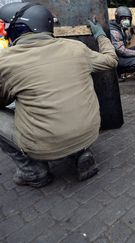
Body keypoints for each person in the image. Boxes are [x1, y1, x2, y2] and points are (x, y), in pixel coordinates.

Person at [0, 2, 118, 188]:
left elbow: (2, 101)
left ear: (19, 27)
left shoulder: (5, 61)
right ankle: (80, 153)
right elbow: (111, 61)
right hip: (89, 133)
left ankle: (33, 171)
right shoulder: (76, 48)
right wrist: (100, 35)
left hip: (45, 145)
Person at [109, 6, 135, 80]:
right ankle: (117, 73)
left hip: (120, 55)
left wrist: (130, 31)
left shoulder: (121, 27)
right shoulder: (114, 31)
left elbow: (126, 40)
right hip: (115, 58)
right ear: (118, 18)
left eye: (128, 19)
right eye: (124, 18)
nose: (126, 21)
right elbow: (122, 51)